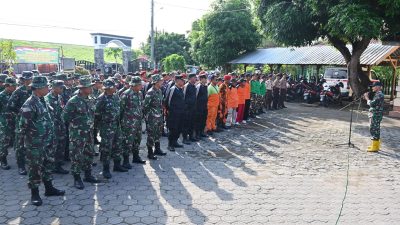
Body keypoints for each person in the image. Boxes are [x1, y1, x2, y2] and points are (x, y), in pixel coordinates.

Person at [19, 76, 65, 206]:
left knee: (48, 165)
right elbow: (22, 127)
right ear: (39, 88)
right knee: (35, 169)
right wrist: (26, 145)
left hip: (48, 141)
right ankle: (35, 193)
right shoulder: (29, 104)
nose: (48, 88)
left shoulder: (43, 100)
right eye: (46, 86)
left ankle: (49, 189)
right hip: (35, 145)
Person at [63, 76, 101, 190]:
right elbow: (64, 117)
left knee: (89, 153)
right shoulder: (73, 101)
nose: (91, 88)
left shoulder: (90, 99)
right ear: (83, 88)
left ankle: (88, 175)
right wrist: (76, 125)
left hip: (89, 132)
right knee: (76, 155)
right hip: (77, 134)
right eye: (89, 86)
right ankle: (77, 178)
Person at [95, 79, 128, 179]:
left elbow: (120, 109)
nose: (116, 87)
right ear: (109, 88)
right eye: (114, 86)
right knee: (106, 148)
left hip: (116, 125)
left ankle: (117, 165)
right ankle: (106, 169)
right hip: (106, 127)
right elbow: (96, 114)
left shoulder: (115, 96)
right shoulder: (101, 99)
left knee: (118, 144)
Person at [7, 71, 33, 175]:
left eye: (30, 79)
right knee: (20, 144)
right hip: (21, 121)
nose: (28, 81)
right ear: (22, 80)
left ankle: (30, 161)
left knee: (31, 142)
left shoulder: (34, 90)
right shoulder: (18, 92)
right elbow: (10, 106)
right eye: (26, 79)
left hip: (33, 122)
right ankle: (21, 166)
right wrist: (20, 112)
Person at [120, 76, 147, 166]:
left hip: (138, 122)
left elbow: (141, 106)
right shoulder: (126, 94)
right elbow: (121, 109)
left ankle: (136, 157)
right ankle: (126, 160)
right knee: (127, 141)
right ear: (135, 85)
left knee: (137, 140)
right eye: (140, 85)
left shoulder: (139, 94)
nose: (141, 86)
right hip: (128, 123)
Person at [44, 80, 69, 174]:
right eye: (60, 87)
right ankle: (49, 168)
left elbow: (61, 109)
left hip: (60, 126)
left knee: (61, 146)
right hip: (52, 128)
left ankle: (58, 165)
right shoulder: (47, 99)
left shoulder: (59, 97)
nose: (62, 89)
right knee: (52, 148)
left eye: (63, 87)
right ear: (54, 88)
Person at [143, 74, 167, 157]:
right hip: (152, 118)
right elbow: (145, 106)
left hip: (159, 116)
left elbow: (161, 103)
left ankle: (157, 149)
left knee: (158, 133)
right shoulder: (150, 92)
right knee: (151, 135)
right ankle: (150, 152)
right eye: (161, 81)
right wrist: (148, 117)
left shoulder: (159, 91)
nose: (162, 82)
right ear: (156, 82)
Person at [0, 77, 17, 170]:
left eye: (15, 85)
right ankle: (3, 160)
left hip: (15, 121)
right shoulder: (1, 96)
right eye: (13, 86)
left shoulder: (15, 95)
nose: (15, 87)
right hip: (5, 123)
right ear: (6, 86)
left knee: (18, 140)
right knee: (4, 142)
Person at [165, 74, 186, 151]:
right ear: (177, 81)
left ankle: (175, 142)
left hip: (181, 113)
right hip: (173, 114)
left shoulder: (180, 89)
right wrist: (170, 111)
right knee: (173, 129)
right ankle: (170, 144)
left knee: (179, 128)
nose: (183, 81)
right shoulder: (173, 89)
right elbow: (168, 101)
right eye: (181, 80)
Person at [364, 82, 385, 152]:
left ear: (378, 87)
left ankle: (375, 147)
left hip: (376, 114)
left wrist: (367, 98)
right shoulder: (378, 94)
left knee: (374, 129)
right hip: (376, 114)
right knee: (375, 129)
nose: (372, 88)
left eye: (373, 86)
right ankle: (375, 145)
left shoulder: (379, 94)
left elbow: (372, 103)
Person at [182, 73, 197, 143]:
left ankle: (191, 136)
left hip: (193, 108)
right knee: (186, 124)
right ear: (190, 78)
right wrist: (185, 108)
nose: (196, 79)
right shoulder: (187, 86)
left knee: (192, 123)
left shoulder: (194, 86)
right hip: (187, 109)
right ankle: (185, 138)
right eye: (194, 77)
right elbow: (184, 98)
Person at [194, 72, 209, 139]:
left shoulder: (206, 86)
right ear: (202, 79)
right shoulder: (198, 86)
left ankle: (202, 132)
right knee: (198, 121)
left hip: (204, 106)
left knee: (203, 120)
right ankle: (197, 134)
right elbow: (196, 96)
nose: (206, 79)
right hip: (198, 107)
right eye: (205, 78)